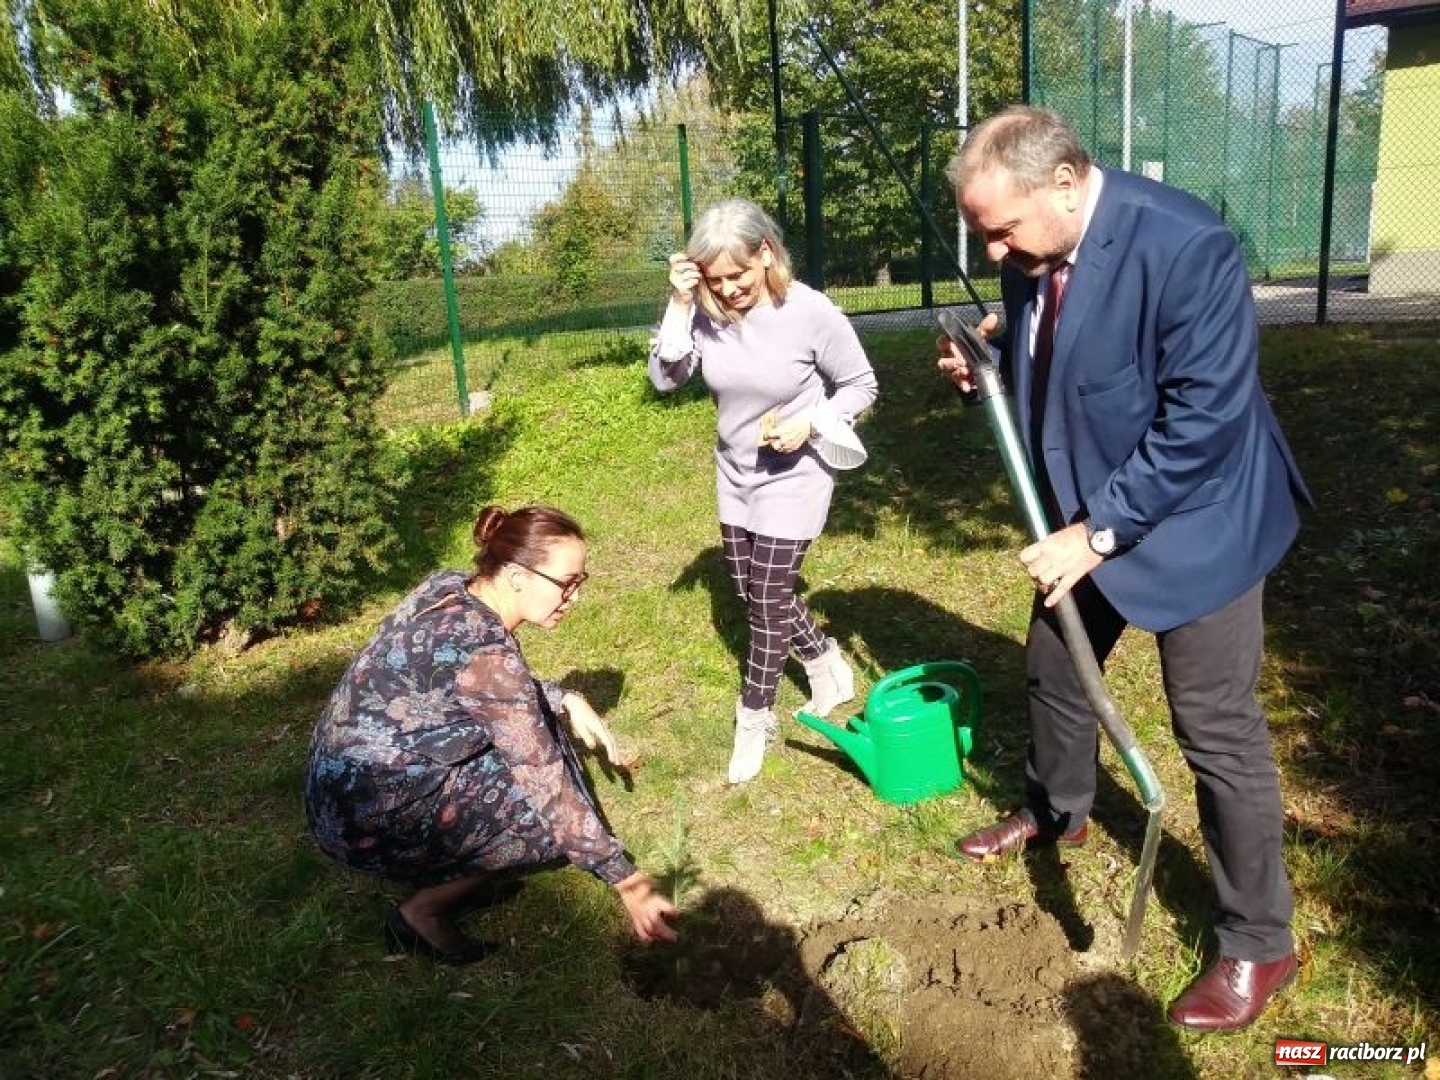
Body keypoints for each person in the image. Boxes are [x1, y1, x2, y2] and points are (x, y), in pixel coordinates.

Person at [936, 106, 1311, 1032]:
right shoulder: (1035, 251)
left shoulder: (1188, 247)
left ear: (1065, 182)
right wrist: (992, 360)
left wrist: (1096, 533)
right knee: (1056, 666)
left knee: (1214, 729)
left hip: (1201, 519)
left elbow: (1203, 423)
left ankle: (1262, 942)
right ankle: (1059, 809)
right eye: (983, 234)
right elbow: (1069, 357)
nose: (994, 252)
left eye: (1001, 228)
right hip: (1089, 503)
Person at [304, 504, 678, 963]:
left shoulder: (447, 587)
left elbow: (480, 687)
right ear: (518, 576)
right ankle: (422, 913)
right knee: (545, 816)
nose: (574, 598)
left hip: (337, 793)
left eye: (581, 582)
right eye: (567, 583)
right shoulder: (489, 658)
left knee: (541, 738)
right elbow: (546, 780)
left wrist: (564, 698)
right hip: (367, 823)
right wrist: (628, 881)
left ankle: (453, 869)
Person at [650, 198, 879, 785]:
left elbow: (861, 384)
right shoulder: (703, 312)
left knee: (769, 598)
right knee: (755, 593)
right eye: (714, 279)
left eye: (738, 275)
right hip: (736, 473)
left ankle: (754, 719)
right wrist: (680, 304)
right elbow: (664, 379)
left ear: (766, 255)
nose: (728, 290)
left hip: (796, 474)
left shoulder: (811, 312)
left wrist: (813, 423)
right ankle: (827, 663)